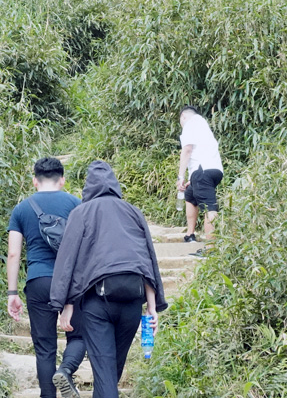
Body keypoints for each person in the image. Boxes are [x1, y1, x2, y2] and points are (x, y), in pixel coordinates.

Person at [50, 161, 167, 398]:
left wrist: (65, 305)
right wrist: (152, 307)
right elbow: (146, 259)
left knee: (105, 375)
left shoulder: (81, 212)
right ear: (115, 184)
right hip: (133, 303)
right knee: (111, 374)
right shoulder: (133, 212)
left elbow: (68, 260)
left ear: (88, 186)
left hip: (97, 305)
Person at [7, 157, 87, 398]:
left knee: (44, 348)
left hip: (38, 281)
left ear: (35, 181)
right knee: (80, 335)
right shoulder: (76, 205)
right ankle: (65, 370)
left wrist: (12, 293)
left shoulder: (21, 209)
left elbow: (13, 253)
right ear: (62, 180)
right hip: (71, 282)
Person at [177, 105, 224, 243]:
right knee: (190, 194)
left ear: (183, 116)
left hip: (202, 171)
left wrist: (181, 177)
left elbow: (187, 150)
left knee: (209, 207)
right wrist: (193, 179)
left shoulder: (190, 124)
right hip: (212, 170)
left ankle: (211, 248)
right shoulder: (203, 125)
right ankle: (190, 234)